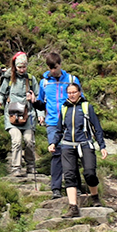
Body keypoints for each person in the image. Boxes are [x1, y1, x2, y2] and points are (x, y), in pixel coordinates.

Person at [49, 82, 109, 219]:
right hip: (67, 145)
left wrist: (102, 146)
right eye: (69, 93)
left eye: (74, 92)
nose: (72, 95)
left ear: (79, 92)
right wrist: (53, 143)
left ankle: (95, 198)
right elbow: (59, 130)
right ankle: (73, 207)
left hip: (85, 144)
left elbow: (97, 128)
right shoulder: (64, 109)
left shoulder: (87, 107)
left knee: (89, 172)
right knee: (69, 175)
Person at [39, 51, 81, 195]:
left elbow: (80, 99)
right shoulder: (44, 82)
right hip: (52, 122)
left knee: (71, 152)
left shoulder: (71, 79)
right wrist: (34, 104)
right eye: (50, 68)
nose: (52, 71)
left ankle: (76, 186)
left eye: (55, 67)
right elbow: (40, 102)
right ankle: (55, 188)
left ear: (60, 65)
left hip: (70, 121)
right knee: (56, 153)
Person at [0, 52, 41, 176]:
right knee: (16, 140)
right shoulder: (9, 79)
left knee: (29, 140)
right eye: (19, 67)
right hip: (11, 117)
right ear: (15, 66)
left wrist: (39, 110)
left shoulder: (31, 79)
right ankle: (16, 167)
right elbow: (1, 93)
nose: (22, 69)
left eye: (24, 67)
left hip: (28, 116)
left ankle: (31, 166)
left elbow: (38, 98)